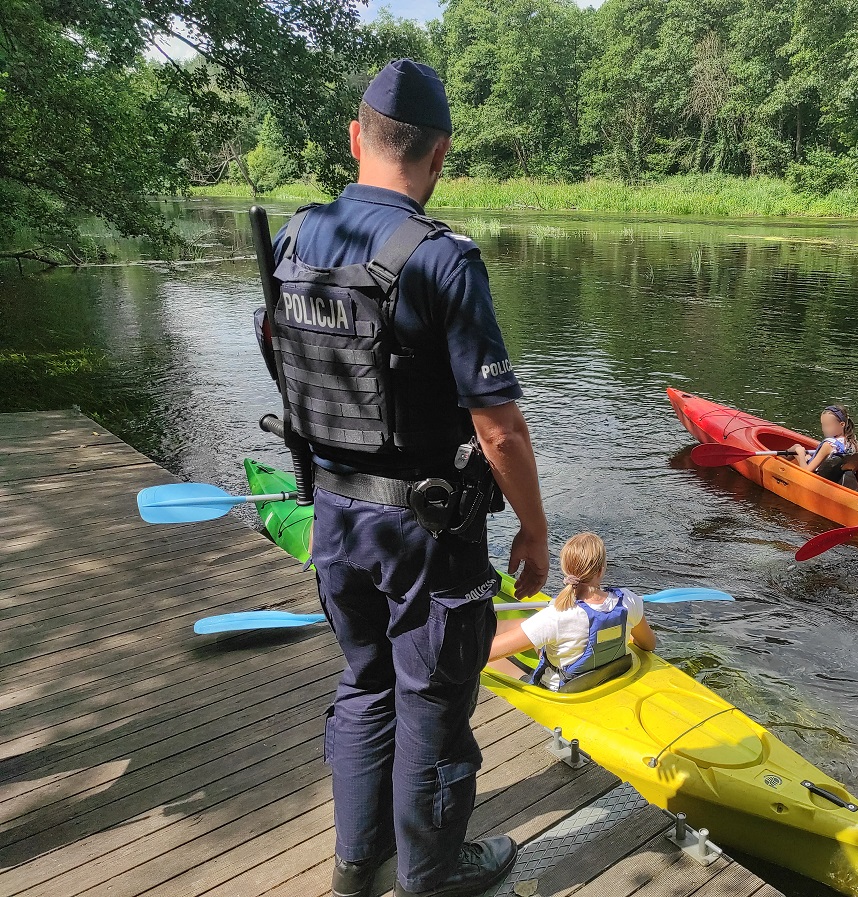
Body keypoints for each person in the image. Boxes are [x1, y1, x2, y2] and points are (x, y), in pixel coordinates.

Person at [258, 59, 550, 897]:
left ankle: (356, 861)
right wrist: (533, 530)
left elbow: (282, 359)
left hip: (334, 517)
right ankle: (433, 872)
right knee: (432, 704)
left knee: (364, 682)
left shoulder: (293, 239)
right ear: (441, 153)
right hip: (428, 534)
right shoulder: (441, 258)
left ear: (357, 137)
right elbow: (499, 428)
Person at [487, 532, 656, 691]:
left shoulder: (556, 616)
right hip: (604, 676)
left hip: (560, 690)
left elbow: (485, 654)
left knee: (483, 658)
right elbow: (649, 645)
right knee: (530, 627)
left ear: (565, 570)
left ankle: (485, 630)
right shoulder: (629, 600)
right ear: (600, 570)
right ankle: (492, 628)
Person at [789, 405, 858, 489]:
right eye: (823, 425)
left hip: (818, 479)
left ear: (842, 424)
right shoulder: (851, 442)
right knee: (804, 453)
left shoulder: (828, 445)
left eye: (828, 425)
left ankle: (779, 467)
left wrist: (800, 453)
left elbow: (807, 472)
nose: (823, 429)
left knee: (797, 447)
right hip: (834, 476)